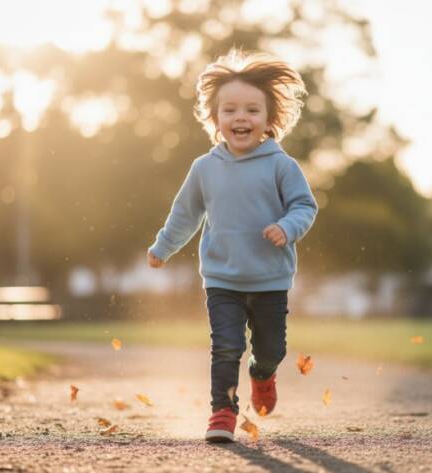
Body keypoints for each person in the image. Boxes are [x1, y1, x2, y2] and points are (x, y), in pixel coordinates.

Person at [147, 49, 317, 443]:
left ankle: (263, 373)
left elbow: (304, 205)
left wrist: (287, 227)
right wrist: (163, 247)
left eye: (252, 110)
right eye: (230, 110)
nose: (241, 118)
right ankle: (222, 412)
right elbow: (184, 213)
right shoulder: (204, 168)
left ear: (270, 119)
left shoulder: (281, 165)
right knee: (226, 346)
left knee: (271, 348)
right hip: (222, 278)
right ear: (215, 118)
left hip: (270, 278)